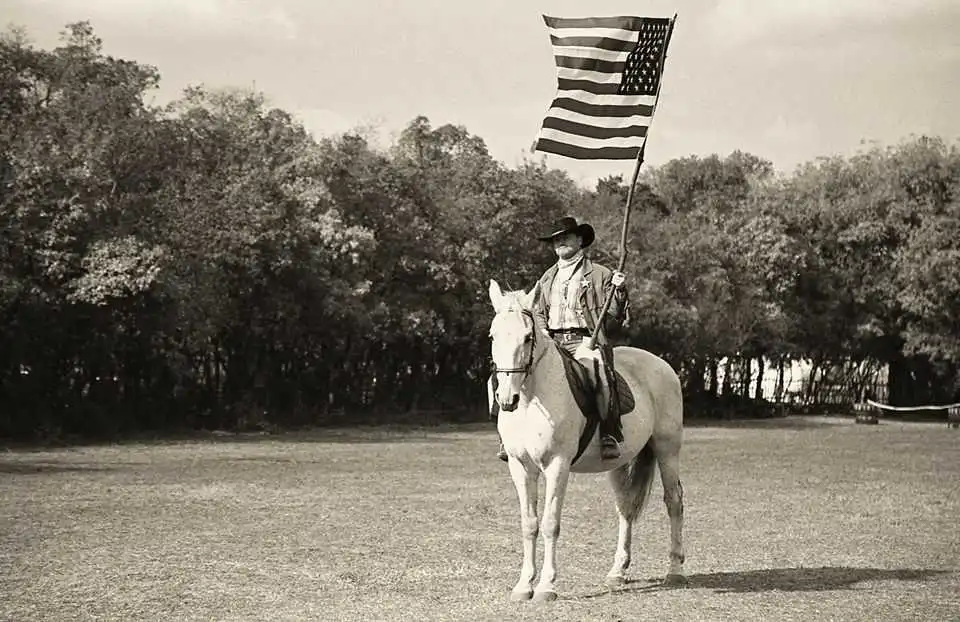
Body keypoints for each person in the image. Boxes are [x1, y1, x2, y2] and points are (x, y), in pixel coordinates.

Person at [493, 216, 630, 461]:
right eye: (556, 239)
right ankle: (507, 437)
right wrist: (543, 334)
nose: (560, 242)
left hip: (585, 340)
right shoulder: (547, 278)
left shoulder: (600, 274)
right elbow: (538, 313)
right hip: (552, 341)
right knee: (502, 373)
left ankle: (608, 434)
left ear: (580, 240)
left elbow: (616, 313)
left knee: (601, 376)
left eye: (566, 237)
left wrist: (618, 289)